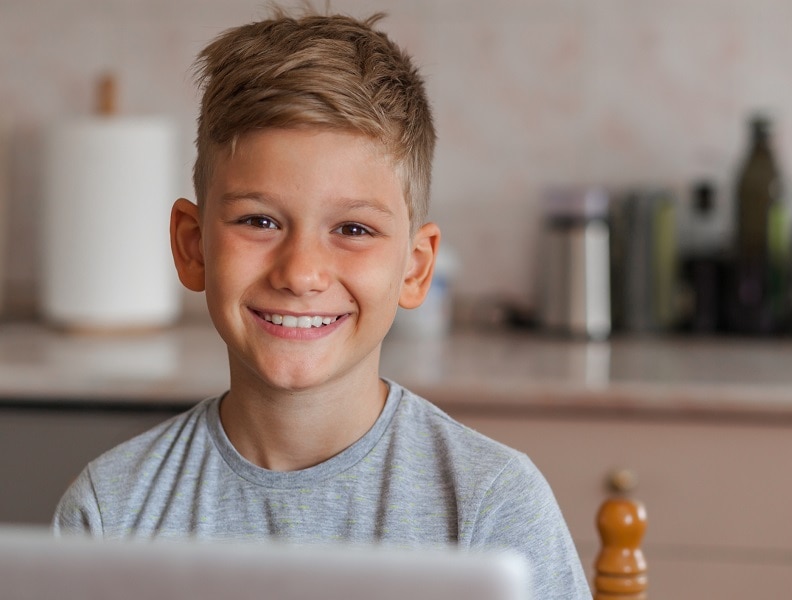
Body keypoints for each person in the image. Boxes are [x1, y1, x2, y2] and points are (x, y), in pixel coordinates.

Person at [53, 8, 591, 599]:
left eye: (354, 230)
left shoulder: (492, 506)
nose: (301, 273)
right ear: (192, 246)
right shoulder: (111, 511)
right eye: (259, 221)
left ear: (415, 268)